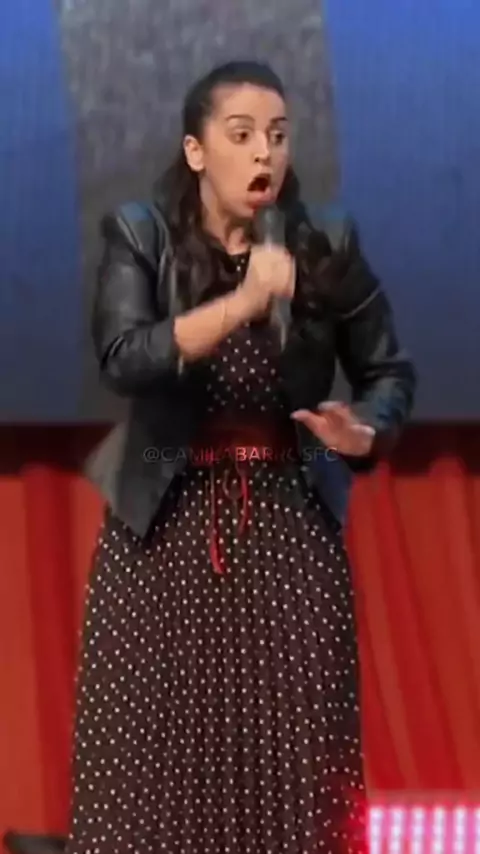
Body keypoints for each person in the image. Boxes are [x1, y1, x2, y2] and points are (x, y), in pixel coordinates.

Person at [69, 60, 416, 854]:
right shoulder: (140, 234)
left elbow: (389, 373)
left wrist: (365, 430)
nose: (266, 153)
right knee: (149, 776)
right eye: (243, 135)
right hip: (160, 532)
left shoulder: (323, 242)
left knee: (295, 771)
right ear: (196, 151)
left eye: (279, 136)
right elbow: (123, 355)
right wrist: (243, 304)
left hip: (288, 532)